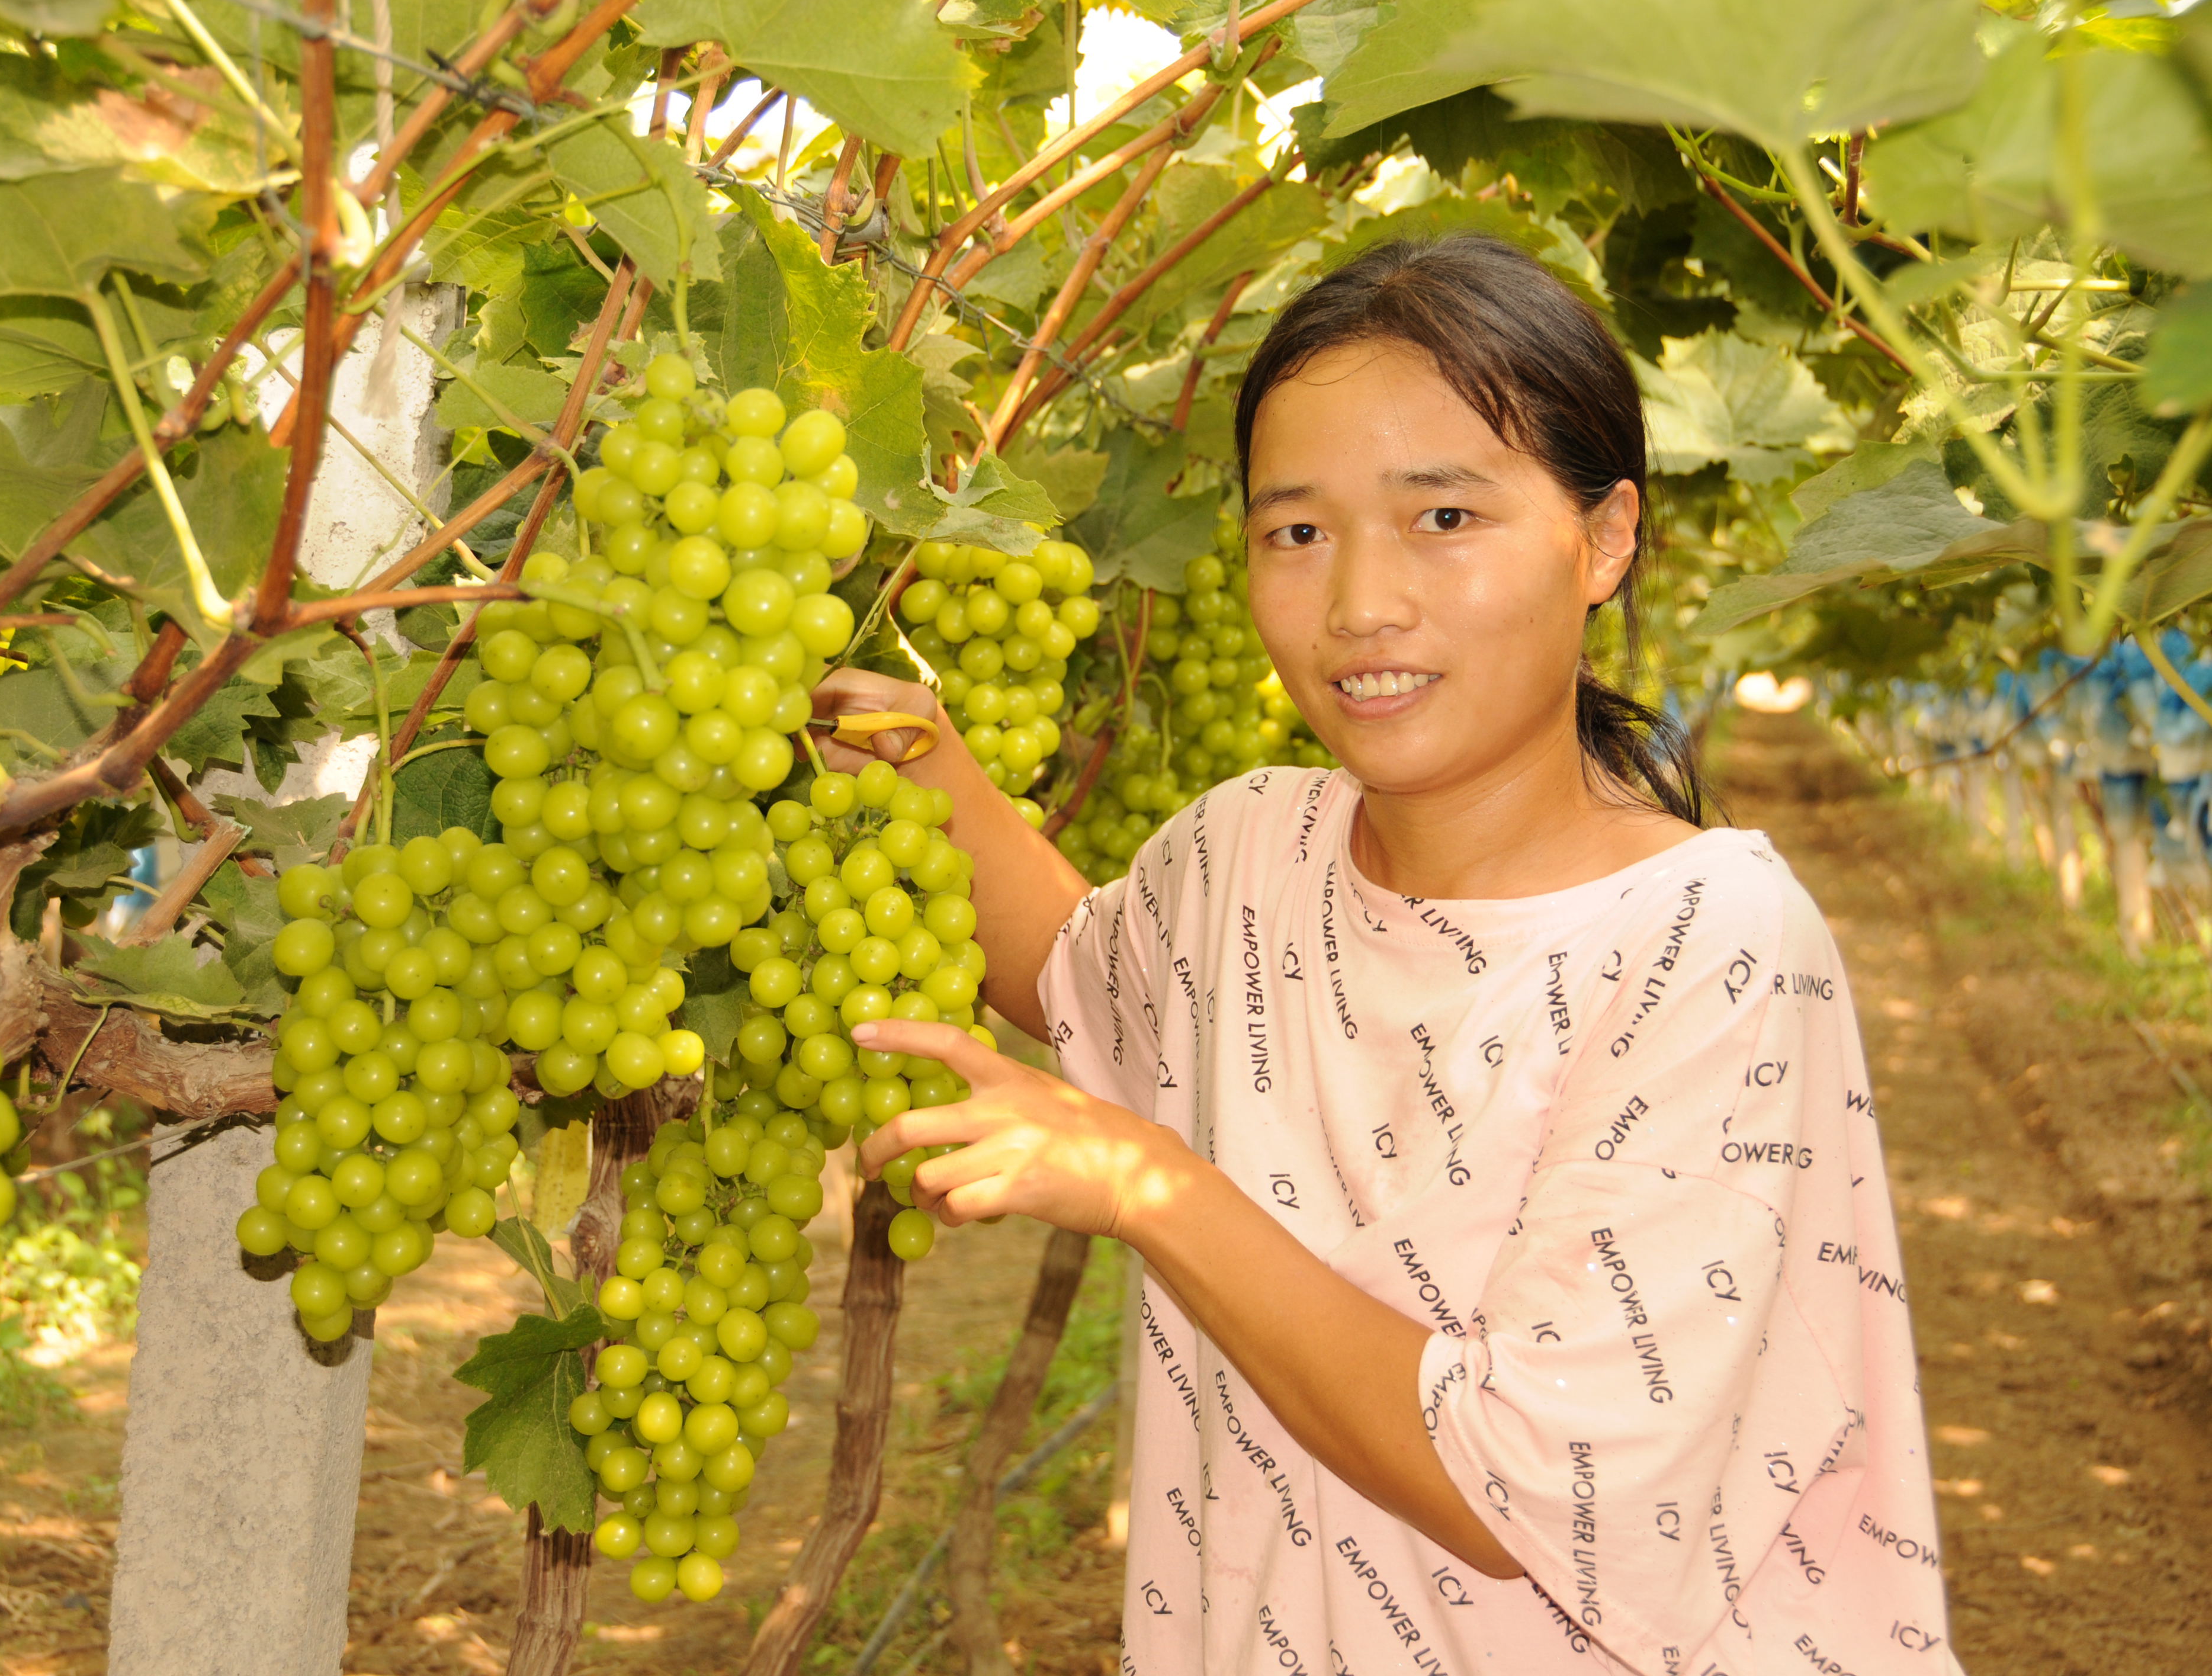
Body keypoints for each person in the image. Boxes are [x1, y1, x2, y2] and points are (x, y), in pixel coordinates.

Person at [813, 233, 1959, 1676]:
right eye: (1296, 531)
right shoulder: (1248, 853)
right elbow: (1072, 974)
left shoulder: (1710, 944)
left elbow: (1525, 1482)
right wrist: (931, 775)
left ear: (1602, 538)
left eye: (1442, 518)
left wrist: (1143, 1183)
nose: (1359, 601)